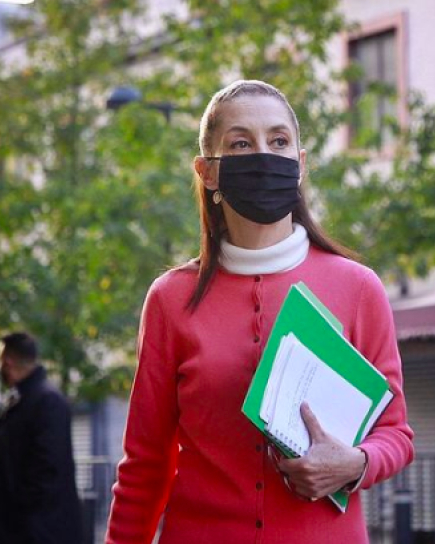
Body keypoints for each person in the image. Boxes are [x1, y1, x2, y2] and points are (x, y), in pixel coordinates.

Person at [106, 80, 414, 544]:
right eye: (241, 144)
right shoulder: (171, 299)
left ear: (300, 163)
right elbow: (144, 465)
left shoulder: (358, 288)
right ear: (208, 172)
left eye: (279, 141)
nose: (263, 155)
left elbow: (396, 434)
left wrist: (355, 464)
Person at [0, 332, 81, 544]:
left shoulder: (46, 402)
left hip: (33, 533)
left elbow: (46, 475)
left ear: (7, 362)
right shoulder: (25, 400)